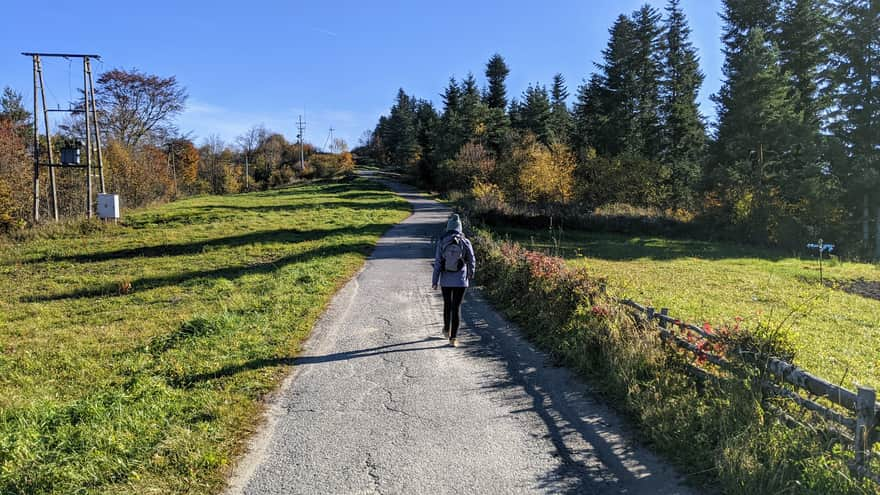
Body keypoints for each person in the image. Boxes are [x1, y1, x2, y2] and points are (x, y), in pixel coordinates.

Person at [432, 213, 476, 347]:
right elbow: (472, 259)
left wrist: (435, 280)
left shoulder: (442, 240)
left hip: (446, 280)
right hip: (461, 280)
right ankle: (453, 338)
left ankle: (446, 329)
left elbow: (438, 262)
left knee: (447, 304)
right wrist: (470, 273)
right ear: (460, 228)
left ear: (448, 227)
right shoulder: (465, 241)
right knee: (456, 307)